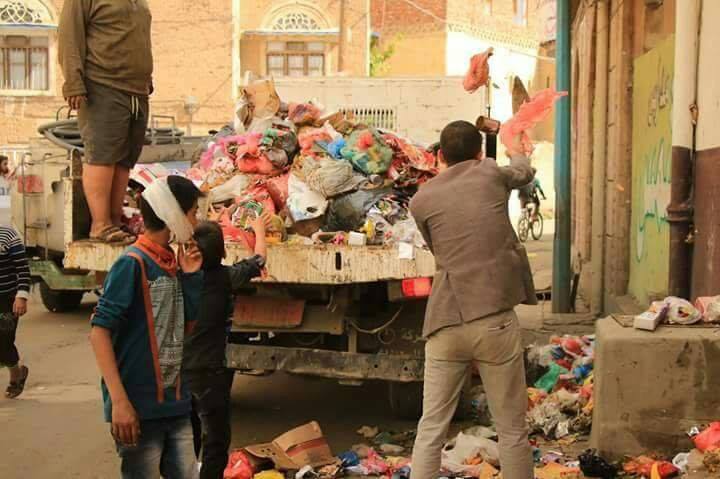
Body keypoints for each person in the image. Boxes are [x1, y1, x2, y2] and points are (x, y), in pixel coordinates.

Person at [409, 121, 537, 479]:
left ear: (440, 156)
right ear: (480, 152)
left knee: (431, 427)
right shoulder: (490, 174)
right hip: (494, 318)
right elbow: (523, 173)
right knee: (511, 428)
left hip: (445, 322)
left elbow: (437, 248)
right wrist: (516, 149)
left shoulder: (421, 200)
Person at [89, 175, 203, 478]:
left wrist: (192, 277)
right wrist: (119, 402)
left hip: (176, 406)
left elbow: (186, 328)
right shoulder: (132, 264)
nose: (196, 222)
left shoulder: (173, 264)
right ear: (174, 215)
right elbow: (99, 333)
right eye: (193, 213)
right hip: (138, 410)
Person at [58, 0, 153, 244]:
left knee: (124, 159)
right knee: (103, 155)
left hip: (136, 90)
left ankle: (114, 220)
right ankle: (100, 224)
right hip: (102, 84)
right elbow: (69, 37)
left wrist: (147, 78)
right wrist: (73, 83)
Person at [184, 217, 269, 479]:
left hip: (181, 370)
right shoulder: (226, 277)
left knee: (188, 434)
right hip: (212, 371)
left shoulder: (180, 280)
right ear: (222, 252)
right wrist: (259, 230)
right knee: (216, 438)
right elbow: (259, 260)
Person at [0, 226, 30, 399]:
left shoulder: (7, 236)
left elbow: (23, 269)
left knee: (4, 342)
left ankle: (16, 375)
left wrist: (22, 296)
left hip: (7, 301)